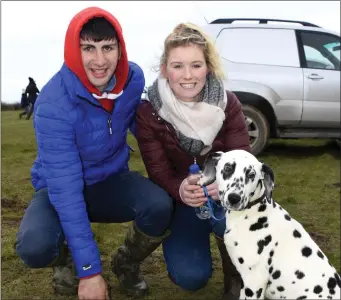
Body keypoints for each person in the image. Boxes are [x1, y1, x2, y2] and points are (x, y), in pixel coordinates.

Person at [15, 7, 173, 300]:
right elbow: (64, 186)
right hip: (58, 187)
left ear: (119, 48)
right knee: (34, 246)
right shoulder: (52, 103)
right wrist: (89, 271)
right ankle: (66, 259)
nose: (100, 61)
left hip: (111, 178)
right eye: (88, 48)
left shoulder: (132, 78)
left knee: (159, 205)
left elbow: (141, 123)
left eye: (107, 48)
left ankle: (126, 262)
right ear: (74, 51)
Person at [135, 23, 251, 299]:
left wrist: (224, 184)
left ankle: (236, 277)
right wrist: (179, 189)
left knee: (236, 219)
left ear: (208, 67)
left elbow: (243, 159)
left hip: (226, 198)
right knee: (191, 278)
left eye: (196, 65)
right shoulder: (149, 113)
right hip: (185, 203)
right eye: (178, 66)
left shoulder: (228, 103)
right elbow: (158, 171)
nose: (188, 76)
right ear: (164, 69)